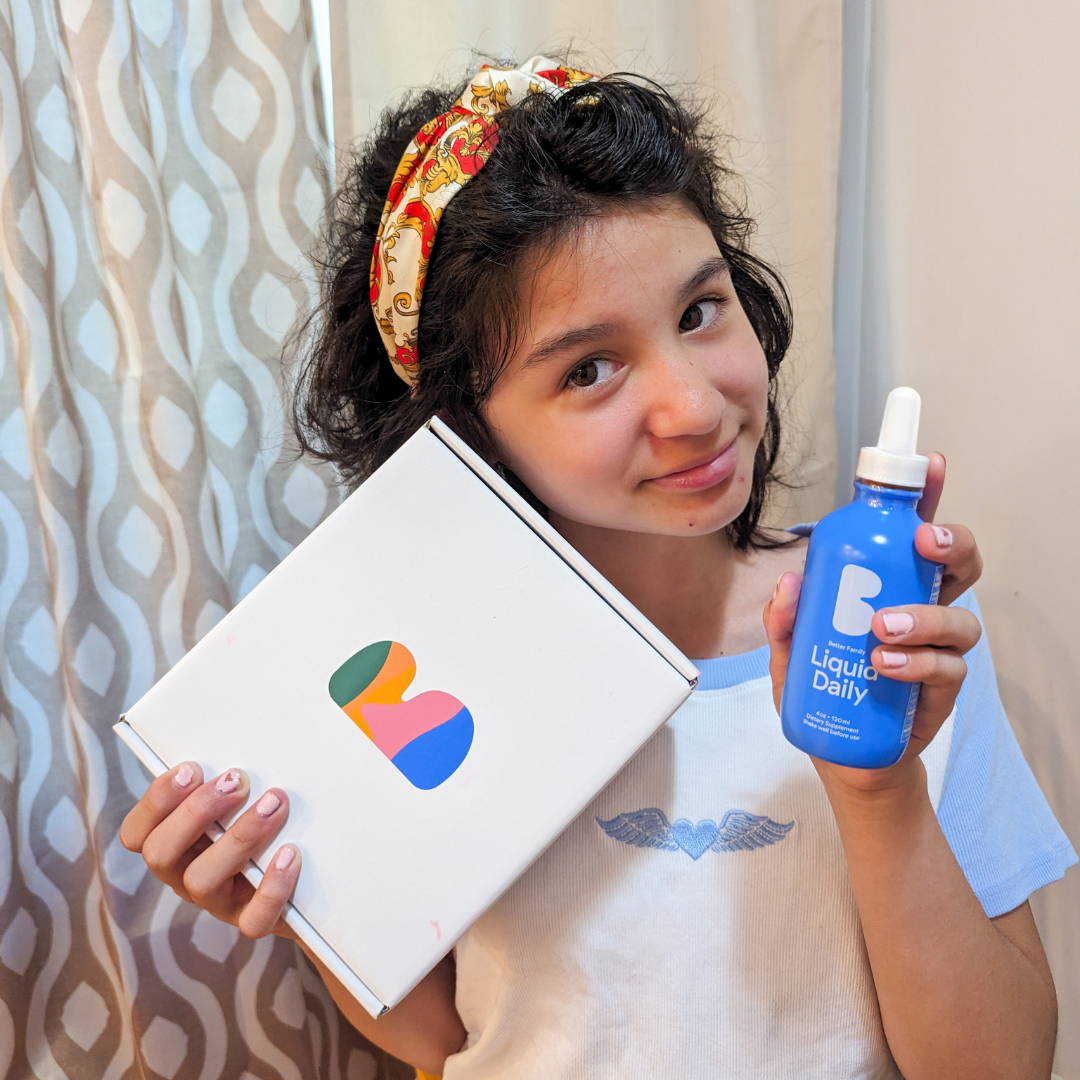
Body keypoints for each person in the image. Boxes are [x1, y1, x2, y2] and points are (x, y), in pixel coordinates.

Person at [120, 56, 1076, 1078]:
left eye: (700, 311)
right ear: (467, 431)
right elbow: (453, 1037)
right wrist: (307, 901)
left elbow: (1003, 1067)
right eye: (589, 368)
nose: (695, 407)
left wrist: (880, 796)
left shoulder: (891, 643)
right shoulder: (431, 676)